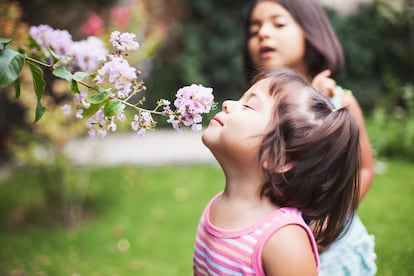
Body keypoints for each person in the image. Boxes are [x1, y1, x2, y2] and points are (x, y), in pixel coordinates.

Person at [242, 0, 376, 274]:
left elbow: (364, 168)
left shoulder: (338, 104)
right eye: (254, 30)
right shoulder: (257, 109)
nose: (263, 34)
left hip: (329, 245)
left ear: (311, 32)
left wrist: (328, 223)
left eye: (278, 23)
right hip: (270, 241)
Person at [193, 67, 361, 275]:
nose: (228, 104)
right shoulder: (216, 206)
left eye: (248, 105)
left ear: (280, 157)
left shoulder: (283, 240)